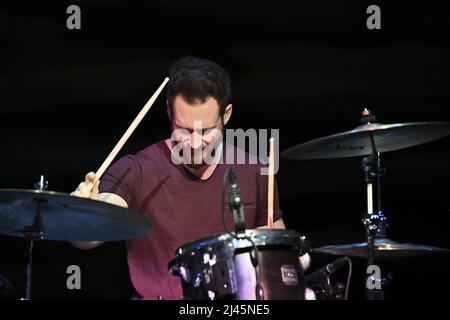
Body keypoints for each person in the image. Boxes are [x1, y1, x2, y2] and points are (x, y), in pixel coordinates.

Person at [71, 56, 303, 300]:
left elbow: (280, 259)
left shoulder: (254, 171)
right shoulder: (136, 169)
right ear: (169, 112)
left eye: (205, 132)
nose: (193, 143)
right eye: (184, 130)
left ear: (226, 116)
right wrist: (82, 214)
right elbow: (87, 240)